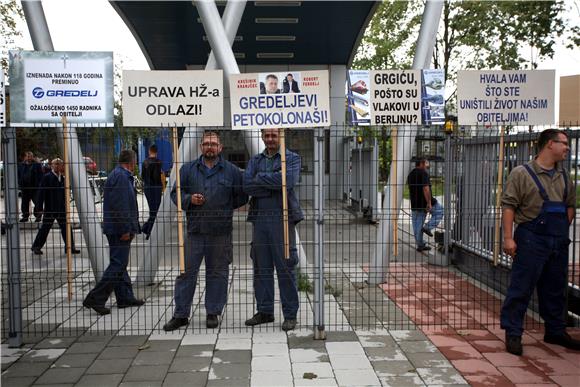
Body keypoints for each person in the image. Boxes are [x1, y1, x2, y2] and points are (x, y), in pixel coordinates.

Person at [501, 129, 580, 355]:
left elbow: (570, 205)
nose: (567, 147)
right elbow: (508, 206)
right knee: (521, 286)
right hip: (530, 239)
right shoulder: (522, 174)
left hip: (558, 241)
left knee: (556, 288)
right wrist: (508, 238)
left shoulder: (565, 176)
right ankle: (513, 332)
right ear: (548, 145)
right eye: (563, 143)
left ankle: (555, 331)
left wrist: (563, 226)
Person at [163, 131, 248, 331]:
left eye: (214, 144)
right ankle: (181, 314)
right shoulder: (188, 169)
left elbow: (242, 196)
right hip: (195, 231)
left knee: (217, 273)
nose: (210, 147)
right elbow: (175, 193)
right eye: (206, 143)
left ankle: (213, 312)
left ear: (220, 148)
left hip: (221, 231)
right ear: (201, 146)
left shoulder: (232, 171)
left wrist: (224, 208)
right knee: (186, 273)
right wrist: (189, 200)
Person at [243, 128, 303, 331]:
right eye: (266, 135)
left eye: (273, 135)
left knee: (285, 266)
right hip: (259, 219)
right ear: (261, 136)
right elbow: (247, 186)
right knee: (261, 267)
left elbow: (289, 181)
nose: (270, 139)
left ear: (281, 136)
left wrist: (260, 179)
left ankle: (290, 314)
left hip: (282, 218)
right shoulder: (255, 161)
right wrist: (275, 180)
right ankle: (265, 311)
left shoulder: (291, 159)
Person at [83, 150, 144, 315]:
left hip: (118, 227)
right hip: (119, 229)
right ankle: (96, 298)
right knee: (117, 264)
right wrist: (125, 228)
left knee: (120, 264)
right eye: (136, 161)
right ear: (132, 162)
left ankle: (125, 297)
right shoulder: (121, 178)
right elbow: (121, 205)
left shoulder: (119, 175)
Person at [31, 158, 80, 256]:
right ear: (52, 166)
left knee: (67, 228)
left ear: (62, 166)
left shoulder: (62, 178)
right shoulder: (47, 177)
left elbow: (66, 194)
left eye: (60, 164)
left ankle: (70, 247)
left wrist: (67, 206)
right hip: (50, 209)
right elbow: (41, 194)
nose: (58, 166)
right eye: (56, 164)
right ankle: (36, 247)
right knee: (45, 229)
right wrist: (39, 208)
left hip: (61, 209)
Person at [407, 158, 443, 252]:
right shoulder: (423, 173)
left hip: (415, 204)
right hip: (425, 202)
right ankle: (428, 227)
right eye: (427, 162)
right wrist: (429, 203)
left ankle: (420, 245)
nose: (428, 164)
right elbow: (425, 188)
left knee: (417, 225)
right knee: (439, 211)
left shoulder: (411, 174)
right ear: (422, 163)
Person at [141, 144, 163, 238]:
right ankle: (148, 230)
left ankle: (146, 228)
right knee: (155, 211)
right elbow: (156, 177)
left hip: (147, 187)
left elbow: (142, 175)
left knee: (152, 210)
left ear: (150, 151)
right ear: (156, 152)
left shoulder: (145, 162)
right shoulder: (158, 162)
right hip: (155, 188)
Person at [18, 151, 43, 222]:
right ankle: (25, 216)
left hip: (35, 187)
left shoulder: (37, 165)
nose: (29, 158)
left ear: (32, 157)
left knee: (37, 202)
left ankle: (38, 215)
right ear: (25, 157)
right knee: (24, 203)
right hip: (25, 188)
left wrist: (39, 185)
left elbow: (41, 175)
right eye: (28, 156)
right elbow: (19, 175)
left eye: (31, 156)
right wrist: (20, 183)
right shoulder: (21, 165)